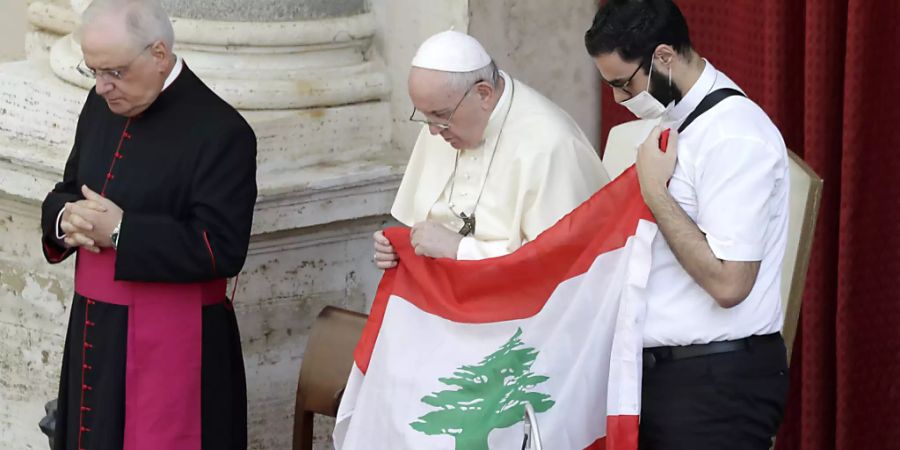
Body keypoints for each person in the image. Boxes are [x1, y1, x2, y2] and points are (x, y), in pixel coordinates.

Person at [39, 0, 256, 448]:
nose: (102, 87)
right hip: (95, 329)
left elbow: (223, 249)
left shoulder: (222, 131)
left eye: (114, 72)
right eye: (93, 71)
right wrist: (66, 218)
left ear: (158, 55)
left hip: (175, 343)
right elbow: (70, 187)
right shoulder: (100, 105)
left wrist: (121, 232)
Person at [585, 1, 790, 449]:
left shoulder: (733, 135)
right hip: (663, 378)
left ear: (662, 57)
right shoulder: (675, 120)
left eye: (624, 84)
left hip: (715, 386)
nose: (620, 100)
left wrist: (656, 193)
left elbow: (730, 283)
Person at [374, 30, 609, 267]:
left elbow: (558, 262)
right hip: (445, 293)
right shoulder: (440, 124)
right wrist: (397, 249)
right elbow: (420, 226)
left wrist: (460, 249)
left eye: (441, 115)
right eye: (425, 116)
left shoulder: (551, 145)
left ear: (483, 94)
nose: (433, 131)